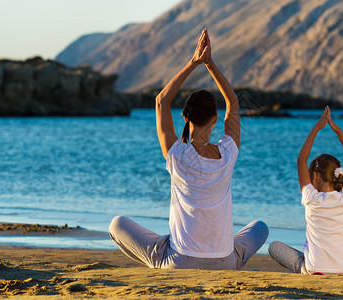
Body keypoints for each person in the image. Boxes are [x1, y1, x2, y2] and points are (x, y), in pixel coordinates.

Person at [109, 29, 268, 270]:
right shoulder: (228, 153)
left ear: (185, 117)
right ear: (215, 119)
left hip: (179, 261)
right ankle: (216, 254)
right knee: (260, 227)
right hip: (225, 262)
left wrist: (193, 62)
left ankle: (161, 262)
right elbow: (233, 102)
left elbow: (162, 100)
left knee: (116, 225)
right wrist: (210, 64)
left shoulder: (176, 154)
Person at [269, 106, 343, 276]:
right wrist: (337, 131)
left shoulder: (310, 197)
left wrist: (316, 128)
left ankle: (321, 266)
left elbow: (301, 159)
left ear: (314, 176)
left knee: (273, 247)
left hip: (313, 271)